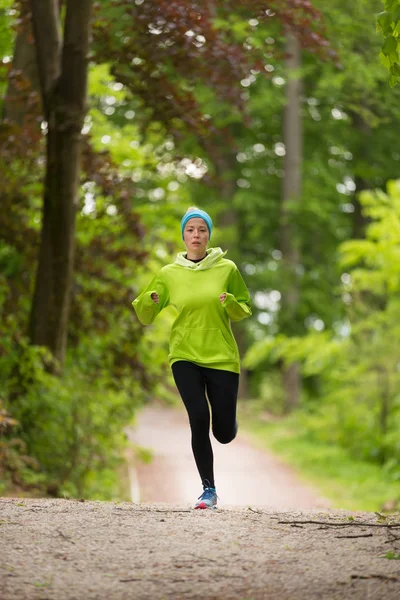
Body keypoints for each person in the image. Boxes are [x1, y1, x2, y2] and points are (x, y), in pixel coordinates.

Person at [132, 207, 252, 509]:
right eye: (190, 230)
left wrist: (232, 302)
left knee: (223, 434)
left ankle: (229, 423)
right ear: (183, 236)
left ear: (209, 235)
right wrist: (150, 300)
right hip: (184, 354)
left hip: (222, 356)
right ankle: (208, 490)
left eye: (201, 230)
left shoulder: (227, 269)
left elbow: (244, 310)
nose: (196, 235)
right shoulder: (168, 274)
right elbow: (145, 315)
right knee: (198, 417)